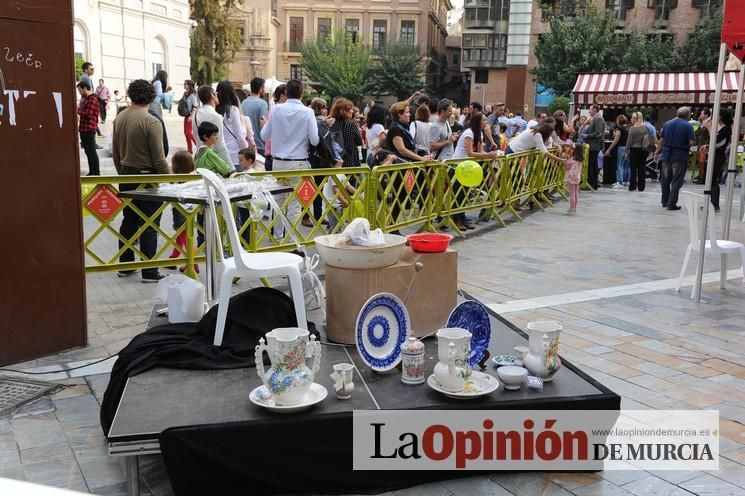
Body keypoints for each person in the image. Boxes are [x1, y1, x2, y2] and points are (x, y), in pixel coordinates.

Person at [112, 79, 169, 282]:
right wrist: (171, 179)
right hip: (147, 178)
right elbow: (159, 159)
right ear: (152, 97)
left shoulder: (119, 118)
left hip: (126, 175)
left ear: (130, 95)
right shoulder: (151, 121)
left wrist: (122, 172)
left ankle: (126, 265)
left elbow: (116, 153)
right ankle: (150, 271)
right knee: (149, 224)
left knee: (129, 220)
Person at [260, 79, 319, 238]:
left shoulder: (276, 110)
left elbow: (264, 135)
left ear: (285, 93)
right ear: (302, 94)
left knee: (278, 201)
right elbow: (314, 140)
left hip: (278, 163)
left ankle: (277, 238)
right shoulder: (308, 112)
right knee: (294, 204)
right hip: (298, 163)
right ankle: (292, 241)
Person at [452, 112, 498, 230]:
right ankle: (456, 219)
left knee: (465, 194)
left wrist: (489, 154)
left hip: (468, 167)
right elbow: (470, 153)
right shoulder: (469, 133)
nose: (486, 123)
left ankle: (462, 217)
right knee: (458, 194)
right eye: (484, 120)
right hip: (458, 165)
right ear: (477, 121)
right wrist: (488, 155)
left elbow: (480, 151)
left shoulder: (479, 134)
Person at [655, 106, 695, 211]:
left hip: (666, 154)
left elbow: (661, 140)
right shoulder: (688, 126)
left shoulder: (667, 124)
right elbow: (691, 142)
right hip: (680, 155)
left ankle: (665, 201)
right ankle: (671, 203)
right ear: (687, 115)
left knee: (665, 179)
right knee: (676, 181)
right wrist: (687, 146)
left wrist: (656, 152)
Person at [167, 151, 198, 273]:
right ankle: (172, 258)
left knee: (184, 237)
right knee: (181, 236)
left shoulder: (176, 180)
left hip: (179, 211)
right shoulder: (191, 178)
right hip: (190, 209)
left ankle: (193, 264)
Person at [192, 85, 233, 166]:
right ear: (212, 95)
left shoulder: (196, 113)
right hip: (213, 161)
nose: (217, 95)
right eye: (215, 93)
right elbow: (220, 144)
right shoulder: (216, 116)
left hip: (200, 158)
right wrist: (231, 167)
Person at [215, 80, 248, 171]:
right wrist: (246, 149)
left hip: (219, 154)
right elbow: (239, 135)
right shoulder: (233, 110)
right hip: (234, 155)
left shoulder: (214, 110)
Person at [241, 77, 269, 169]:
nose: (264, 90)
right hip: (259, 145)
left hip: (247, 144)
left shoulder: (244, 102)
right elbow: (262, 124)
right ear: (260, 88)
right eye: (264, 88)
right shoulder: (262, 104)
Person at [322, 160, 359, 232]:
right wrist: (344, 201)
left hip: (338, 203)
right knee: (335, 226)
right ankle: (332, 238)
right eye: (338, 158)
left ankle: (333, 234)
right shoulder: (336, 174)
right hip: (332, 204)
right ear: (332, 164)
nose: (341, 159)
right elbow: (335, 190)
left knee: (337, 224)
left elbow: (348, 186)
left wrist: (359, 193)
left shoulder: (340, 173)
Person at [330, 97, 363, 167]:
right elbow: (359, 142)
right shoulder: (350, 124)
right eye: (350, 109)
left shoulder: (331, 123)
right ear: (344, 111)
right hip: (350, 161)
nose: (352, 111)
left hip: (335, 162)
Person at [710, 109, 733, 212]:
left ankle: (715, 204)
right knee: (711, 179)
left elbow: (716, 140)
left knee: (713, 179)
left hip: (718, 156)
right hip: (715, 154)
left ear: (721, 117)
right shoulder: (721, 128)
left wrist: (709, 127)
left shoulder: (726, 129)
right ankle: (712, 203)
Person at [77, 80, 100, 176]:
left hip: (89, 129)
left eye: (80, 90)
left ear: (85, 88)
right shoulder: (87, 99)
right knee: (88, 152)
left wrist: (77, 110)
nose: (79, 92)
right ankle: (92, 171)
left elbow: (88, 114)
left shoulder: (93, 99)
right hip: (84, 128)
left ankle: (96, 172)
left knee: (91, 152)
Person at [625, 112, 649, 192]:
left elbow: (629, 141)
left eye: (632, 118)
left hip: (634, 149)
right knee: (642, 168)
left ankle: (632, 186)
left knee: (633, 168)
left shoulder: (632, 129)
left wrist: (626, 151)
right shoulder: (645, 128)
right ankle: (641, 186)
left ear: (636, 119)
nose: (631, 119)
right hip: (643, 150)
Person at [582, 104, 604, 189]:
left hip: (594, 145)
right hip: (594, 145)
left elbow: (598, 133)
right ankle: (593, 183)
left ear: (595, 110)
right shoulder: (596, 118)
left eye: (590, 109)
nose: (589, 111)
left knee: (591, 165)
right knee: (593, 165)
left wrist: (587, 136)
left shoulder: (598, 119)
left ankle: (591, 183)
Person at [605, 115, 629, 188]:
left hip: (620, 148)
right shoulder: (627, 129)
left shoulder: (619, 130)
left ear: (618, 121)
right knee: (624, 165)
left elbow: (616, 140)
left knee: (619, 165)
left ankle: (619, 182)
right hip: (625, 148)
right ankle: (625, 180)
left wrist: (609, 149)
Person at [561, 144, 584, 216]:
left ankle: (572, 209)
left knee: (571, 194)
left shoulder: (573, 159)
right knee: (575, 193)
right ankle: (574, 208)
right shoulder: (581, 159)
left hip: (571, 178)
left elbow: (567, 166)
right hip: (577, 177)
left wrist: (563, 158)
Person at [181, 80, 199, 153]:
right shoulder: (185, 94)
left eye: (186, 84)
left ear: (190, 85)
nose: (184, 85)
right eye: (184, 83)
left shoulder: (192, 95)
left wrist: (191, 116)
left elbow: (195, 106)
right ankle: (189, 149)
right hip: (186, 115)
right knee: (186, 133)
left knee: (188, 133)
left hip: (191, 115)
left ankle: (198, 146)